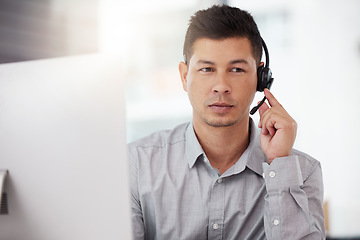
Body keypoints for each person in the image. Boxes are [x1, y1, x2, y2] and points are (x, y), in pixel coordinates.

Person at [129, 5, 325, 240]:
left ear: (261, 79)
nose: (221, 85)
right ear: (184, 76)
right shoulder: (137, 164)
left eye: (236, 69)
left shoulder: (301, 172)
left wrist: (279, 165)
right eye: (207, 69)